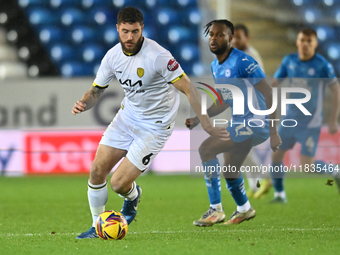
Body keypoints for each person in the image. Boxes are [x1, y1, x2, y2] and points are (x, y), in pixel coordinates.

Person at [72, 7, 228, 239]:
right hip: (127, 118)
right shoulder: (112, 56)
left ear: (142, 28)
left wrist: (205, 123)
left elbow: (188, 87)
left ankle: (133, 196)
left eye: (135, 31)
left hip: (155, 127)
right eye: (125, 31)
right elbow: (97, 90)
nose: (130, 37)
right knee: (96, 171)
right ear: (117, 29)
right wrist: (84, 103)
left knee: (118, 184)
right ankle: (98, 227)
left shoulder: (158, 56)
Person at [186, 19, 281, 227]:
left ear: (230, 39)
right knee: (230, 170)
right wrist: (199, 118)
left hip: (257, 121)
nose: (214, 38)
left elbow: (267, 92)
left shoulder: (243, 61)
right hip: (239, 122)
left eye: (220, 34)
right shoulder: (215, 66)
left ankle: (215, 209)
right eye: (211, 34)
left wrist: (273, 131)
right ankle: (244, 209)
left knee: (206, 149)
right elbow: (224, 100)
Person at [269, 28, 340, 203]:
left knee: (307, 166)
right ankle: (279, 195)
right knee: (276, 155)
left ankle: (335, 170)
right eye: (302, 40)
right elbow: (275, 83)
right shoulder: (289, 61)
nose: (305, 44)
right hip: (290, 120)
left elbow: (336, 91)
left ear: (315, 43)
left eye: (309, 41)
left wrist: (333, 120)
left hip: (310, 123)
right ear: (297, 42)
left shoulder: (322, 65)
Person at [231, 23, 272, 198]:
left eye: (238, 37)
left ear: (247, 38)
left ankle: (263, 178)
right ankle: (256, 184)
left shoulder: (249, 56)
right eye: (233, 37)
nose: (235, 40)